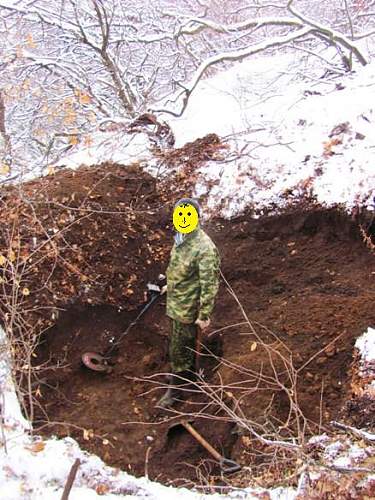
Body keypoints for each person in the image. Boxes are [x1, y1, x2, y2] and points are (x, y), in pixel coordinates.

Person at [157, 198, 220, 408]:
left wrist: (204, 315)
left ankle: (176, 390)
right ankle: (186, 377)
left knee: (179, 348)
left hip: (188, 309)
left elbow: (209, 284)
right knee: (177, 344)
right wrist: (170, 285)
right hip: (175, 302)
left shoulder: (204, 248)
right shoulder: (181, 238)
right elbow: (178, 267)